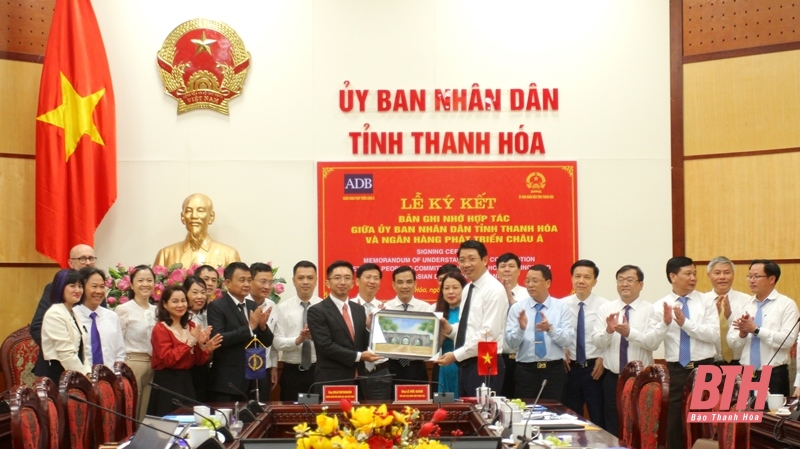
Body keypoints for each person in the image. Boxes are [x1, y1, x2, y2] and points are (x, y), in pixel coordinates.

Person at [643, 256, 719, 449]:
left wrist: (686, 323)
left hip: (705, 367)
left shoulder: (706, 301)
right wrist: (665, 324)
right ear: (673, 276)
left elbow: (713, 335)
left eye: (694, 273)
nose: (693, 278)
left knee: (704, 419)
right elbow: (651, 343)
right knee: (675, 419)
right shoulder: (660, 306)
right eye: (688, 274)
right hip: (677, 369)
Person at [436, 240, 508, 396]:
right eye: (462, 260)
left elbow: (488, 334)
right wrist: (450, 330)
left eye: (471, 259)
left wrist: (456, 355)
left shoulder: (494, 290)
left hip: (485, 361)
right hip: (466, 364)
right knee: (467, 409)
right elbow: (469, 327)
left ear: (485, 260)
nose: (466, 264)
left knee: (482, 409)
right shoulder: (468, 288)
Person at [592, 265, 657, 437]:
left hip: (640, 379)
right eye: (620, 280)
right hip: (613, 378)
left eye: (629, 280)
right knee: (613, 423)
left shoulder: (651, 310)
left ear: (641, 284)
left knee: (640, 423)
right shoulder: (606, 309)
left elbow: (653, 343)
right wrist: (608, 331)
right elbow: (597, 342)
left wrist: (630, 333)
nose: (624, 284)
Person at [306, 260, 383, 392]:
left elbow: (361, 343)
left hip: (359, 381)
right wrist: (359, 356)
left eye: (347, 278)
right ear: (328, 283)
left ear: (352, 283)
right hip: (332, 381)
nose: (342, 282)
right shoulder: (317, 311)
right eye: (337, 278)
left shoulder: (359, 309)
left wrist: (368, 328)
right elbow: (325, 346)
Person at [147, 285, 222, 416]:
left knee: (188, 420)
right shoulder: (160, 328)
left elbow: (198, 362)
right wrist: (190, 342)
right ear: (165, 304)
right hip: (167, 381)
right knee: (169, 420)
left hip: (187, 380)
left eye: (183, 301)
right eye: (175, 301)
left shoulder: (191, 326)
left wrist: (203, 347)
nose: (180, 305)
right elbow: (168, 359)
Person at [729, 260, 799, 398]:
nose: (751, 280)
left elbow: (788, 340)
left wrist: (757, 330)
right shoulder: (745, 305)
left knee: (772, 412)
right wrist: (742, 334)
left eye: (756, 276)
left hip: (774, 374)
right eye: (749, 276)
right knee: (745, 411)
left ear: (771, 279)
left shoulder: (787, 305)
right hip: (746, 373)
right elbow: (732, 343)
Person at [207, 262, 274, 402]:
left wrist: (262, 327)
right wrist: (249, 328)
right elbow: (219, 339)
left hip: (253, 377)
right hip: (228, 381)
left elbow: (267, 342)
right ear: (228, 283)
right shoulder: (217, 306)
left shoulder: (253, 305)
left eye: (249, 280)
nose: (247, 284)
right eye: (242, 280)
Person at [505, 264, 573, 401]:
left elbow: (568, 340)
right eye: (527, 281)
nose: (530, 285)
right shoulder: (517, 308)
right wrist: (521, 329)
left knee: (553, 411)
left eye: (535, 281)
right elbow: (511, 343)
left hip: (554, 371)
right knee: (525, 410)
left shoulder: (561, 307)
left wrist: (550, 329)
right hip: (526, 371)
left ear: (547, 283)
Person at [32, 244, 97, 377]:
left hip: (81, 368)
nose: (88, 263)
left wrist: (87, 371)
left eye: (91, 258)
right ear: (71, 263)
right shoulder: (55, 310)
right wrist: (53, 348)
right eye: (82, 259)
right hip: (59, 369)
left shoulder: (74, 310)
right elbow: (37, 327)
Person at [562, 260, 607, 427]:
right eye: (577, 276)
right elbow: (556, 333)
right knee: (571, 419)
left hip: (595, 370)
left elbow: (611, 336)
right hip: (570, 369)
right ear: (572, 278)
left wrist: (603, 357)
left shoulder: (605, 306)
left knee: (598, 417)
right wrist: (561, 349)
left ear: (595, 281)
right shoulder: (561, 305)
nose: (581, 281)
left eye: (587, 277)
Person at [273, 261, 324, 401]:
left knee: (317, 413)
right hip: (292, 373)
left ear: (316, 280)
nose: (305, 282)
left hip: (318, 372)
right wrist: (298, 339)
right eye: (301, 278)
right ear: (293, 281)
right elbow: (277, 342)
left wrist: (315, 337)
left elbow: (332, 341)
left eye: (310, 278)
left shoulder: (325, 307)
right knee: (291, 412)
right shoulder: (283, 308)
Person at [116, 265, 158, 420]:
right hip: (132, 363)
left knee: (146, 412)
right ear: (132, 285)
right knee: (131, 410)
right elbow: (117, 341)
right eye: (140, 280)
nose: (145, 284)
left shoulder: (157, 310)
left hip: (153, 365)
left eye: (149, 280)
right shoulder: (123, 309)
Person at [154, 193, 241, 268]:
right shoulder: (166, 254)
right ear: (182, 217)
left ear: (211, 217)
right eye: (189, 211)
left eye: (200, 211)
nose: (194, 216)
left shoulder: (229, 255)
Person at [383, 266, 435, 383]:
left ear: (415, 284)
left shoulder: (426, 308)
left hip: (418, 366)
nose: (405, 286)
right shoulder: (384, 309)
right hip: (391, 367)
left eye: (409, 282)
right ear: (393, 285)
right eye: (400, 282)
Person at [40, 269, 91, 383]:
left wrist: (88, 372)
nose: (78, 290)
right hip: (61, 375)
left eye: (80, 286)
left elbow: (83, 350)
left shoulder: (73, 312)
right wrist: (84, 378)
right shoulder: (54, 313)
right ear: (60, 287)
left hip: (76, 374)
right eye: (72, 286)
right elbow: (66, 354)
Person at [74, 267, 126, 369]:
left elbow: (120, 352)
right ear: (81, 288)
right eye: (94, 286)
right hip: (82, 375)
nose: (99, 291)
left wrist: (116, 375)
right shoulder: (72, 316)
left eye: (102, 287)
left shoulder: (112, 317)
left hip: (110, 376)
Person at [705, 257, 750, 365]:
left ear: (733, 275)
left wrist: (729, 316)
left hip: (740, 361)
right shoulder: (701, 301)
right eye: (717, 273)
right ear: (709, 275)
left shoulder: (747, 300)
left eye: (727, 273)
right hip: (710, 361)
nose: (722, 277)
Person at [495, 252, 527, 398]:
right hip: (497, 358)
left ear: (519, 271)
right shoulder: (492, 294)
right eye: (503, 266)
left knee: (521, 401)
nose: (507, 269)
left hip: (521, 359)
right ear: (497, 271)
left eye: (511, 266)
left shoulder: (528, 295)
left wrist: (509, 298)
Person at [248, 262, 279, 400]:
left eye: (270, 282)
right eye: (263, 281)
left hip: (264, 367)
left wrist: (274, 366)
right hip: (243, 368)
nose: (267, 286)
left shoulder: (272, 305)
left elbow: (272, 339)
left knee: (262, 406)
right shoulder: (241, 304)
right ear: (250, 281)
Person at [434, 271, 467, 399]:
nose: (450, 292)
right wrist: (442, 334)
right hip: (445, 368)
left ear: (464, 289)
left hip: (465, 368)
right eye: (446, 288)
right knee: (444, 405)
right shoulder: (437, 313)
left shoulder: (470, 312)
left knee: (465, 405)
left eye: (455, 287)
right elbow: (432, 350)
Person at [184, 276, 212, 402]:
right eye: (195, 293)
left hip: (204, 369)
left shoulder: (208, 316)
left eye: (203, 292)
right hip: (186, 370)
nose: (200, 297)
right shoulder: (180, 318)